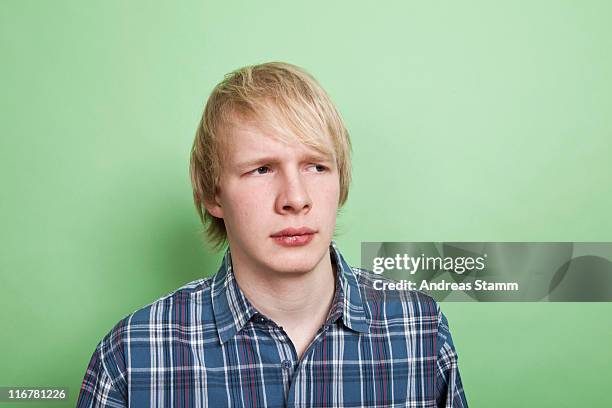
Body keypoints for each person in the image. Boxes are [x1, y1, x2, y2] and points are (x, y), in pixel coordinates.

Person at [76, 61, 468, 407]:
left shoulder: (422, 331)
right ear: (215, 194)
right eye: (261, 169)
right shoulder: (132, 355)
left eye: (316, 166)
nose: (295, 199)